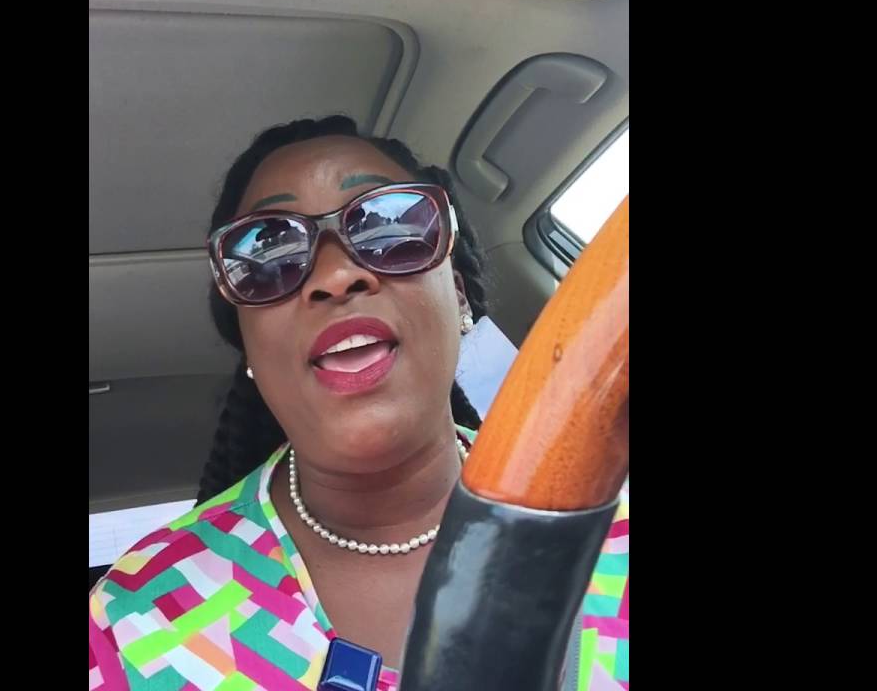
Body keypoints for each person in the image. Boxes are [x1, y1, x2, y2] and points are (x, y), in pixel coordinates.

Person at [89, 115, 629, 690]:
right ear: (249, 347)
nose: (338, 274)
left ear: (458, 294)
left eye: (388, 225)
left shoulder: (611, 542)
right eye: (268, 251)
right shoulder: (131, 620)